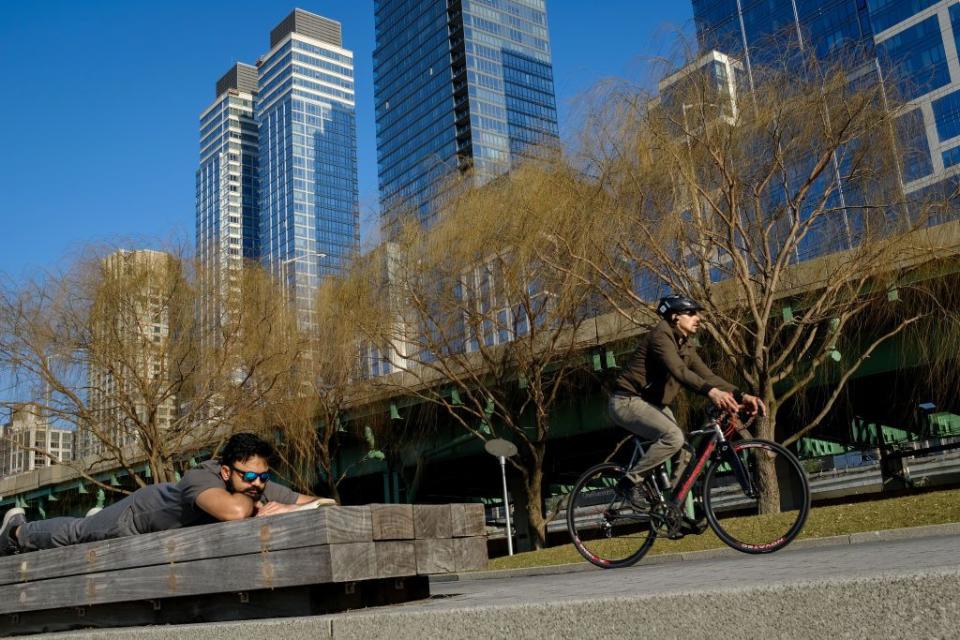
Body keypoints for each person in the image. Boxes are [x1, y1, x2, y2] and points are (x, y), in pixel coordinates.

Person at [0, 432, 333, 555]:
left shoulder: (254, 485)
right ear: (227, 471)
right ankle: (15, 531)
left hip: (160, 528)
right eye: (249, 476)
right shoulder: (201, 478)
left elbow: (328, 504)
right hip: (138, 517)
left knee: (89, 529)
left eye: (263, 477)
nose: (258, 484)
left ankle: (96, 519)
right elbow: (233, 513)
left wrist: (290, 508)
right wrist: (265, 505)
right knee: (78, 534)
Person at [609, 294, 765, 532]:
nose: (698, 318)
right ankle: (629, 483)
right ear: (675, 316)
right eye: (692, 313)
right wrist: (711, 393)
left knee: (687, 453)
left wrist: (741, 395)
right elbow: (679, 371)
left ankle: (672, 507)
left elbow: (707, 375)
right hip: (627, 401)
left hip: (653, 404)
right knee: (673, 437)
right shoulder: (661, 336)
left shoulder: (686, 345)